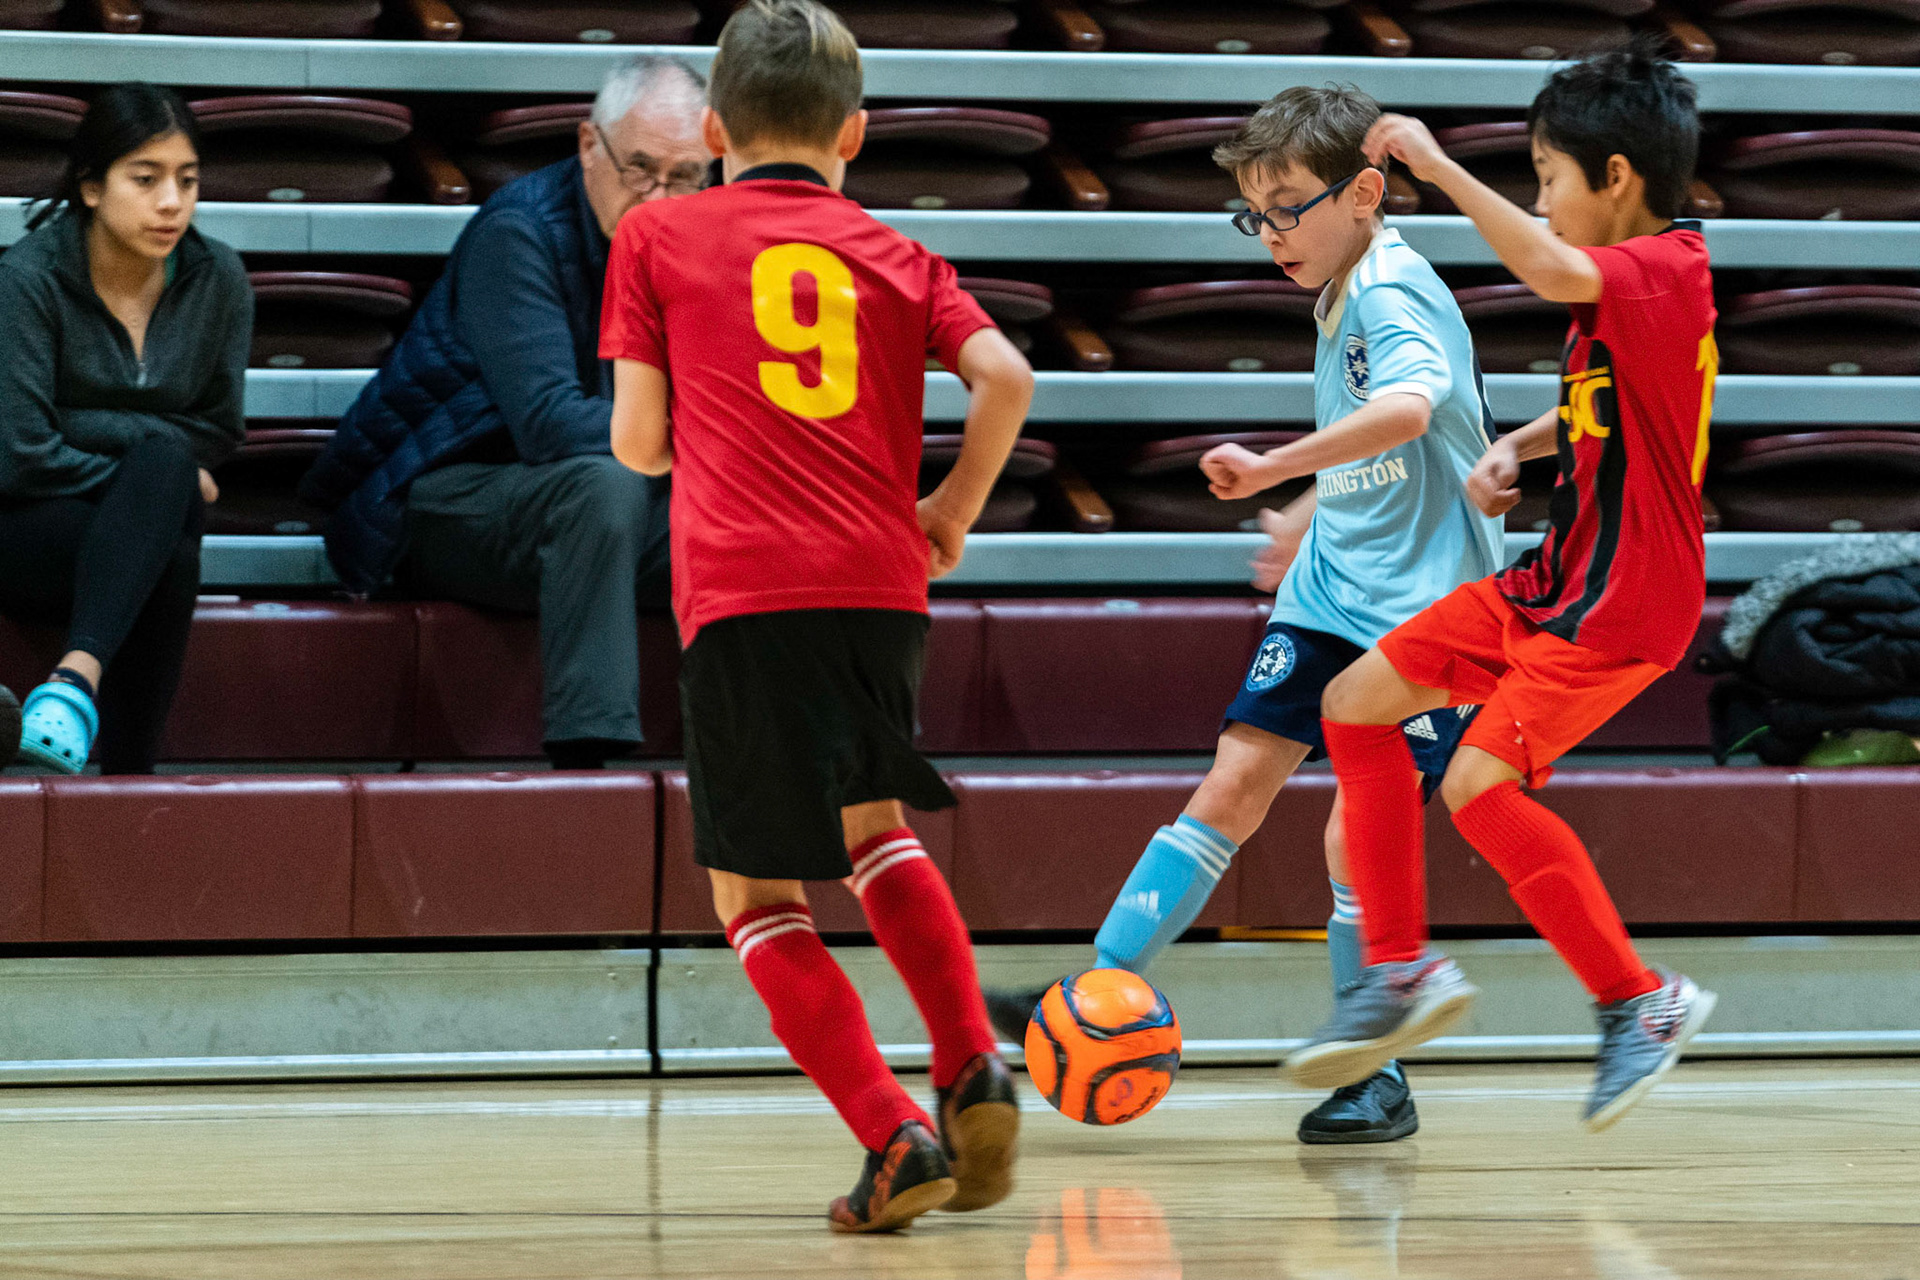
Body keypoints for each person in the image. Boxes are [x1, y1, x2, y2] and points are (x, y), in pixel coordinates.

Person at [985, 84, 1505, 1146]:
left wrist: (1274, 464)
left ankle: (1378, 1071)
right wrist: (1309, 511)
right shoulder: (1345, 280)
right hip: (1331, 586)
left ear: (1364, 193)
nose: (1269, 234)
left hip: (1426, 617)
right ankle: (1096, 990)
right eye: (1252, 215)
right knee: (1232, 779)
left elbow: (1407, 407)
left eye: (1285, 208)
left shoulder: (1391, 291)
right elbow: (1404, 441)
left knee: (1351, 831)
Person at [600, 0, 1034, 1232]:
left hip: (745, 586)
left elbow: (636, 444)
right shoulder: (902, 256)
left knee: (753, 892)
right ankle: (969, 1064)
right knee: (872, 827)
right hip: (880, 580)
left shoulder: (658, 237)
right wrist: (948, 505)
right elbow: (1007, 375)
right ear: (855, 134)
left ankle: (894, 1134)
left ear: (721, 127)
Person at [1295, 45, 1720, 1131]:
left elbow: (1549, 268)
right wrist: (1523, 448)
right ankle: (1400, 969)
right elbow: (1614, 397)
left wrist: (1441, 168)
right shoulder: (1636, 287)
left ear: (1614, 176)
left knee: (1478, 785)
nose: (1540, 201)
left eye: (1547, 176)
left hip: (1625, 600)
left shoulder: (1660, 267)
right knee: (1356, 700)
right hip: (1556, 577)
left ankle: (1641, 1000)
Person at [300, 55, 708, 770]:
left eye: (684, 178)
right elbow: (550, 426)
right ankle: (590, 757)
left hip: (602, 510)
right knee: (601, 483)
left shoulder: (700, 244)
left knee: (782, 502)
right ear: (589, 145)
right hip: (452, 502)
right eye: (640, 168)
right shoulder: (518, 232)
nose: (658, 196)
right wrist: (711, 437)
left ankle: (793, 756)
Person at [0, 83, 250, 775]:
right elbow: (20, 456)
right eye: (145, 179)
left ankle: (72, 687)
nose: (171, 201)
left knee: (165, 525)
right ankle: (132, 781)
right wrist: (153, 469)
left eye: (187, 180)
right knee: (167, 489)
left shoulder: (219, 277)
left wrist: (94, 434)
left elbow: (220, 429)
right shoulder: (26, 280)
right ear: (91, 187)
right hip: (25, 529)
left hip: (125, 539)